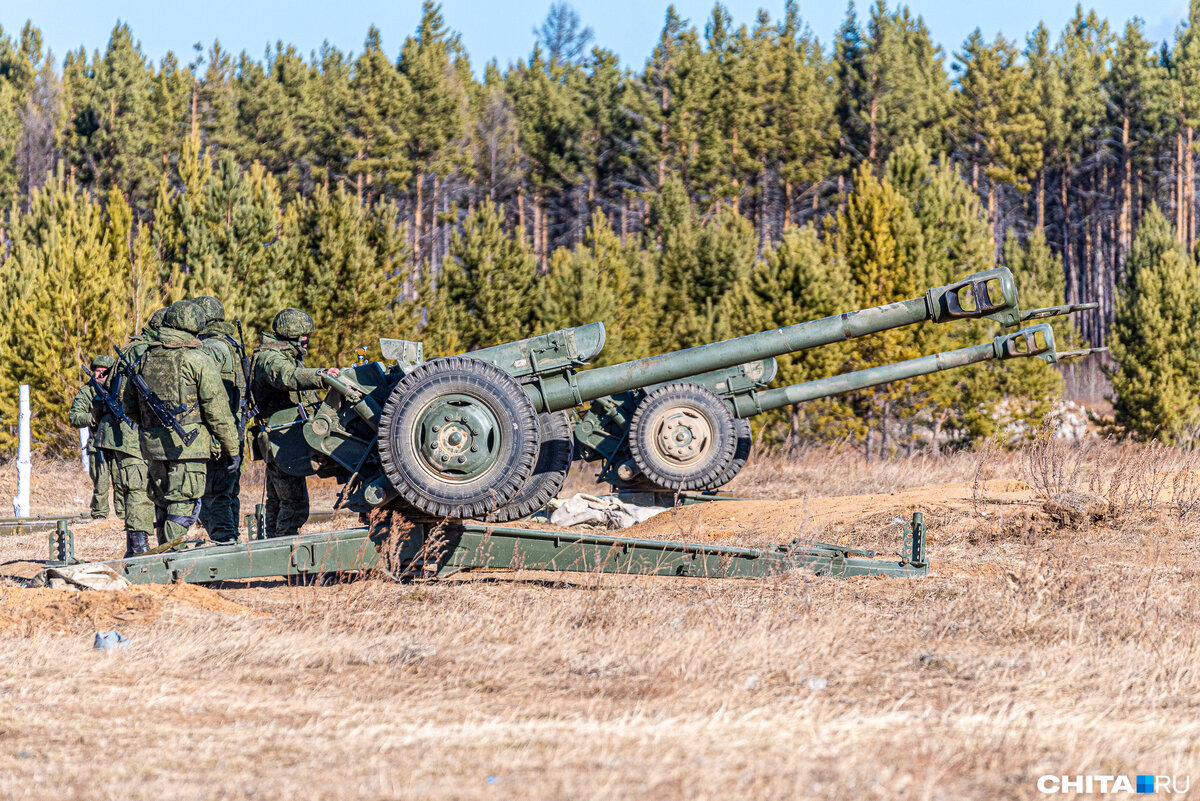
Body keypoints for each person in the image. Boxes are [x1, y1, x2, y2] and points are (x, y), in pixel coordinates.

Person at [122, 301, 240, 547]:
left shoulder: (146, 357)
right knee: (182, 504)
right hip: (189, 447)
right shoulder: (198, 359)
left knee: (164, 504)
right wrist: (233, 448)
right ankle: (174, 561)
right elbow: (218, 411)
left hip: (153, 446)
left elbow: (130, 407)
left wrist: (152, 428)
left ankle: (167, 558)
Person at [250, 308, 339, 539]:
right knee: (293, 504)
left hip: (284, 438)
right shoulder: (271, 359)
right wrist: (322, 376)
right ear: (294, 335)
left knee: (279, 501)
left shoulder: (282, 356)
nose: (307, 342)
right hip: (281, 440)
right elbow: (287, 377)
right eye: (304, 336)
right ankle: (283, 552)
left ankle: (270, 549)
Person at [193, 296, 246, 543]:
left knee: (214, 492)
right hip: (231, 426)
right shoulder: (228, 344)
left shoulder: (211, 348)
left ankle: (224, 541)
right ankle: (229, 537)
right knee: (226, 491)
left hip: (219, 429)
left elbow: (206, 391)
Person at [70, 356, 120, 520]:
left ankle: (125, 518)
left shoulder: (119, 389)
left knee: (123, 484)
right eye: (97, 371)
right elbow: (75, 417)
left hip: (120, 443)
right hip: (98, 442)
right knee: (101, 484)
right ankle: (99, 518)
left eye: (104, 372)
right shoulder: (88, 392)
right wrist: (97, 416)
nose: (99, 375)